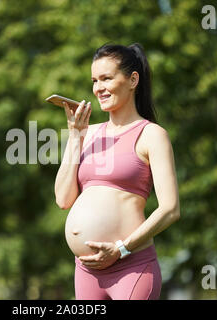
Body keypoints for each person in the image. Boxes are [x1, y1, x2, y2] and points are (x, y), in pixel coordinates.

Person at [54, 42, 180, 300]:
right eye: (94, 81)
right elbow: (63, 199)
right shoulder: (86, 134)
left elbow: (170, 209)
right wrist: (76, 136)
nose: (98, 88)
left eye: (106, 78)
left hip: (131, 267)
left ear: (133, 80)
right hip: (86, 270)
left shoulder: (151, 135)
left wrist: (121, 249)